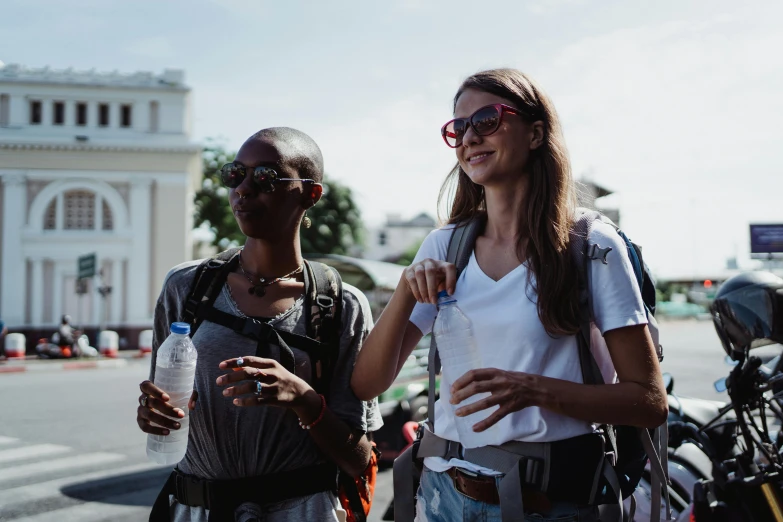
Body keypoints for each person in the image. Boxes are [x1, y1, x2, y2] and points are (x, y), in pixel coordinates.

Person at [351, 69, 668, 522]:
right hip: (443, 497)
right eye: (457, 128)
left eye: (487, 120)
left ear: (536, 133)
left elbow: (648, 402)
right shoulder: (446, 245)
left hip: (552, 502)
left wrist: (534, 390)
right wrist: (406, 288)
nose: (468, 138)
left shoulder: (590, 244)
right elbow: (367, 384)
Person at [136, 127, 382, 522]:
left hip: (302, 510)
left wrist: (301, 396)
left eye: (266, 177)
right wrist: (153, 413)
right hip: (195, 510)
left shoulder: (340, 304)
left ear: (310, 193)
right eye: (236, 174)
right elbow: (162, 409)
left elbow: (358, 458)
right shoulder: (187, 287)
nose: (244, 189)